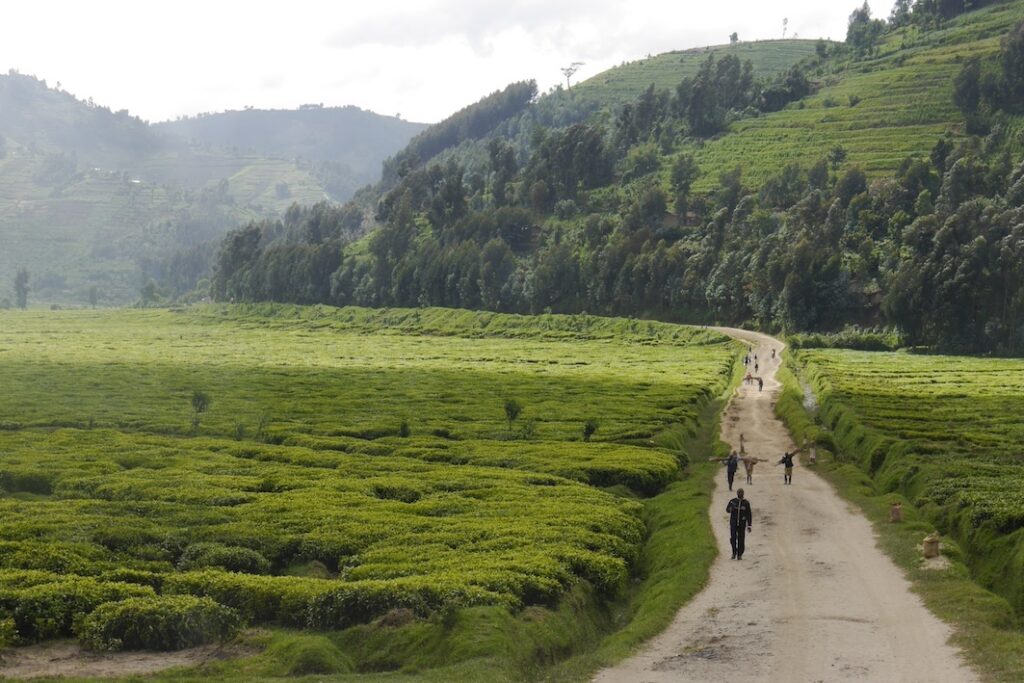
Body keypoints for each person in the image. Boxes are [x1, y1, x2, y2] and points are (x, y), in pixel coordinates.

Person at [727, 488, 753, 560]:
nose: (740, 494)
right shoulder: (733, 502)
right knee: (733, 538)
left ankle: (739, 554)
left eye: (741, 492)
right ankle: (734, 552)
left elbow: (749, 514)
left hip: (742, 524)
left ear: (743, 494)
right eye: (739, 492)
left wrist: (749, 525)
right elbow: (727, 510)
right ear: (737, 493)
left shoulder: (746, 503)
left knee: (741, 539)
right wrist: (731, 509)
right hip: (733, 523)